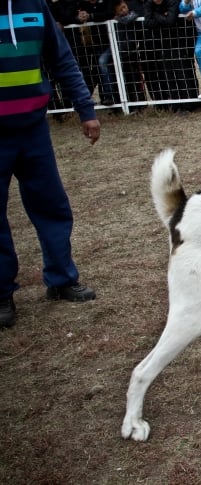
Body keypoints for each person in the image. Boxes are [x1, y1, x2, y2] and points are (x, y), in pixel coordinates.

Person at [0, 0, 101, 329]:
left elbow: (61, 59)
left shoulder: (35, 5)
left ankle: (61, 279)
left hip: (33, 130)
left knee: (52, 206)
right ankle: (2, 293)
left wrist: (85, 109)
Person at [143, 0, 200, 113]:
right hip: (162, 44)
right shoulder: (149, 4)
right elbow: (147, 23)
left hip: (180, 41)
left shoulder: (173, 1)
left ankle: (191, 104)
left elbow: (171, 21)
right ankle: (177, 105)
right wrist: (161, 16)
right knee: (169, 75)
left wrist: (155, 15)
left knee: (184, 73)